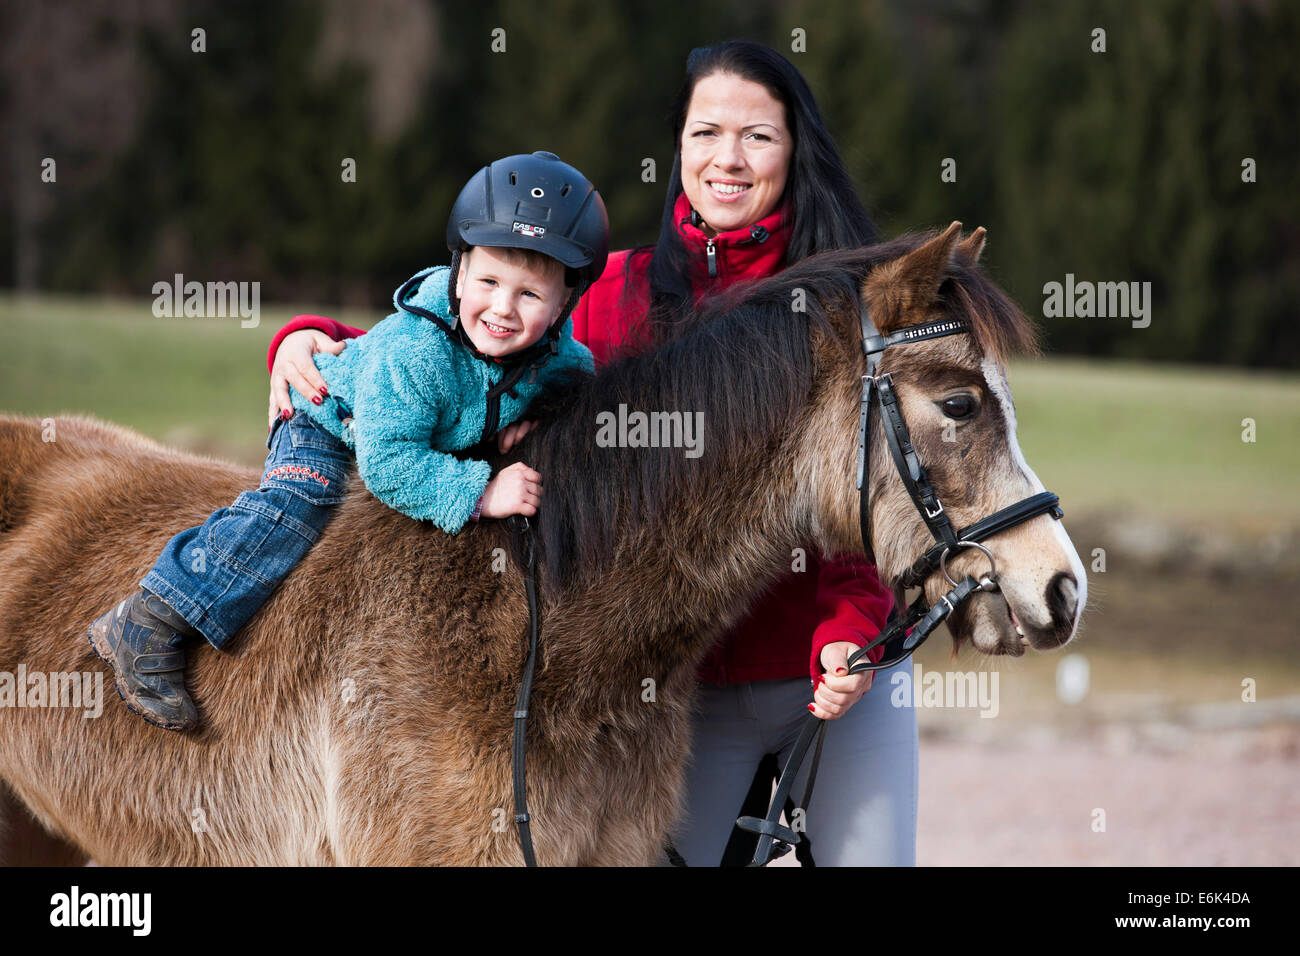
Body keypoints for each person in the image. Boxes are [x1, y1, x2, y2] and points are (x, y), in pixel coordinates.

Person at [268, 42, 917, 867]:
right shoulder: (609, 293)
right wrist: (308, 344)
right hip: (683, 685)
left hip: (831, 678)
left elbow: (879, 491)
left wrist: (850, 628)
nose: (728, 158)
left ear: (795, 152)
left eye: (758, 137)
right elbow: (455, 351)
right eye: (705, 132)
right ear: (677, 146)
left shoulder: (839, 317)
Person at [88, 151, 608, 734]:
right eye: (488, 281)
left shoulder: (559, 358)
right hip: (329, 420)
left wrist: (543, 416)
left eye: (530, 295)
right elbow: (387, 467)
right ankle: (153, 617)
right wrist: (482, 490)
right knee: (297, 506)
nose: (503, 310)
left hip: (409, 438)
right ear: (460, 273)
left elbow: (583, 391)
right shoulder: (416, 353)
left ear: (565, 304)